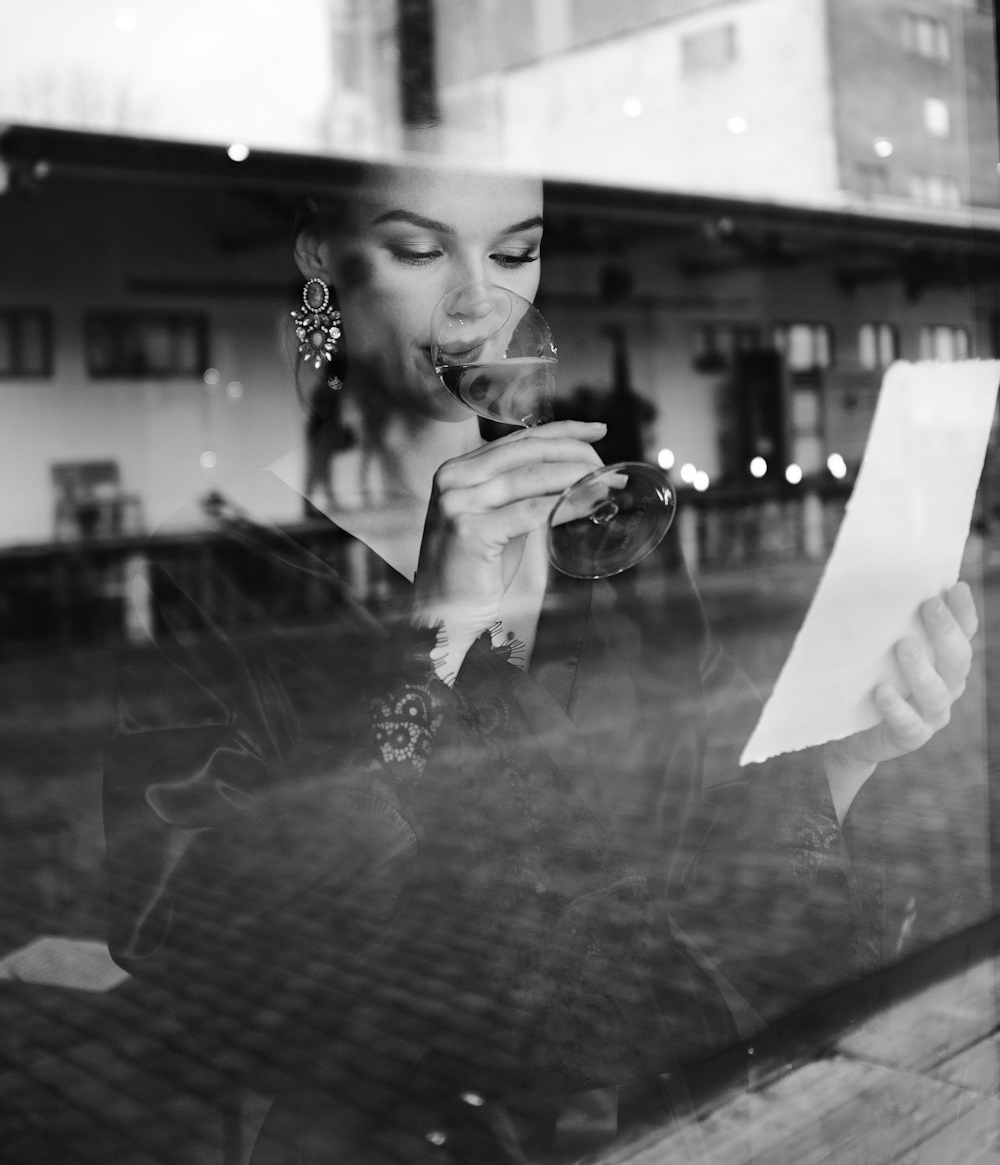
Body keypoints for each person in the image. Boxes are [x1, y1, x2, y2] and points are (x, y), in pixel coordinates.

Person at [103, 163, 978, 1164]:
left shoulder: (601, 536)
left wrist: (855, 740)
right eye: (421, 249)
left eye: (516, 251)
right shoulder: (228, 578)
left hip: (677, 1123)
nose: (482, 299)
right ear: (321, 258)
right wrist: (432, 636)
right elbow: (180, 945)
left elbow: (726, 822)